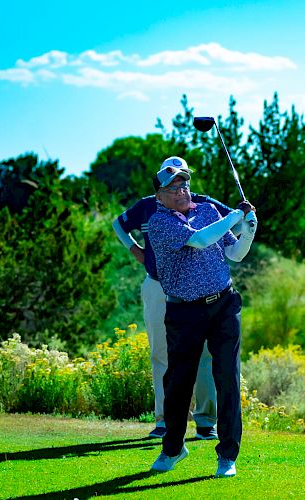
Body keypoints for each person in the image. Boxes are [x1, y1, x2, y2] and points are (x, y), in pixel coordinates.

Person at [112, 156, 235, 440]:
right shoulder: (146, 206)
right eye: (174, 181)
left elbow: (234, 225)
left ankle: (206, 421)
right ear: (161, 186)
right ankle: (165, 420)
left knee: (205, 355)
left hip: (200, 291)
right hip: (158, 286)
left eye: (184, 180)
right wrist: (135, 251)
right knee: (162, 355)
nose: (181, 186)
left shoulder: (203, 202)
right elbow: (119, 225)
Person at [148, 160, 257, 478]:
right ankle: (173, 448)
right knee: (178, 383)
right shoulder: (159, 223)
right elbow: (199, 240)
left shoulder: (209, 210)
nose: (181, 191)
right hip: (184, 310)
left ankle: (227, 456)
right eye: (173, 187)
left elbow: (235, 253)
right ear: (159, 195)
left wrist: (248, 229)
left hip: (224, 304)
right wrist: (236, 216)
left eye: (184, 185)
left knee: (228, 378)